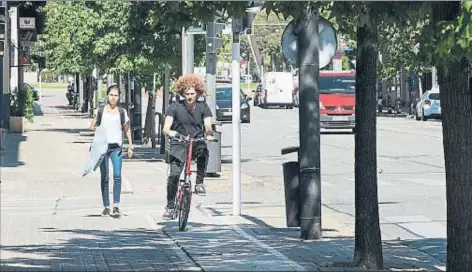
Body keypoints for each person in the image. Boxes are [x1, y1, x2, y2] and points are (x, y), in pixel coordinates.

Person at [162, 74, 214, 220]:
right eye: (187, 94)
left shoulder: (203, 107)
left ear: (197, 93)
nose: (190, 97)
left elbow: (208, 125)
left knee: (203, 151)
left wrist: (209, 133)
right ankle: (170, 206)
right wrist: (171, 132)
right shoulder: (175, 107)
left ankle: (199, 183)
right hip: (179, 142)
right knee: (174, 175)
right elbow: (166, 126)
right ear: (182, 94)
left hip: (196, 140)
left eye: (192, 94)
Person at [90, 85, 134, 218]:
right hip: (103, 148)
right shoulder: (101, 110)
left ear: (119, 97)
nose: (113, 98)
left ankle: (116, 206)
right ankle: (106, 206)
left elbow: (127, 129)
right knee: (105, 176)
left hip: (116, 148)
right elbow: (93, 125)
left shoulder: (122, 112)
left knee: (117, 175)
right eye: (111, 95)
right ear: (107, 96)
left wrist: (130, 145)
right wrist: (95, 128)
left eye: (116, 95)